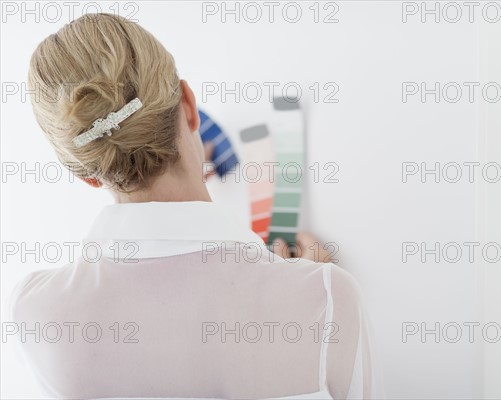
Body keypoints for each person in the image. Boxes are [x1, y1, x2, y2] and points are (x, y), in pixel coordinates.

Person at [11, 13, 381, 399]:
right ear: (189, 105)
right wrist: (318, 297)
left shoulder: (35, 313)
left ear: (84, 174)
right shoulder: (325, 300)